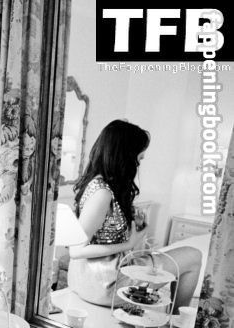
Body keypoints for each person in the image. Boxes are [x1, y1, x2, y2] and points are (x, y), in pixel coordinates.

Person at [68, 119, 202, 309]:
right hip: (104, 284)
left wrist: (132, 226)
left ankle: (176, 317)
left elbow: (101, 234)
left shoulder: (101, 185)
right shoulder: (102, 193)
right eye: (139, 158)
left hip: (94, 279)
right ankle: (178, 320)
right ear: (125, 156)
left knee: (186, 256)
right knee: (193, 256)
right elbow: (76, 251)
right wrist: (129, 243)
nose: (139, 164)